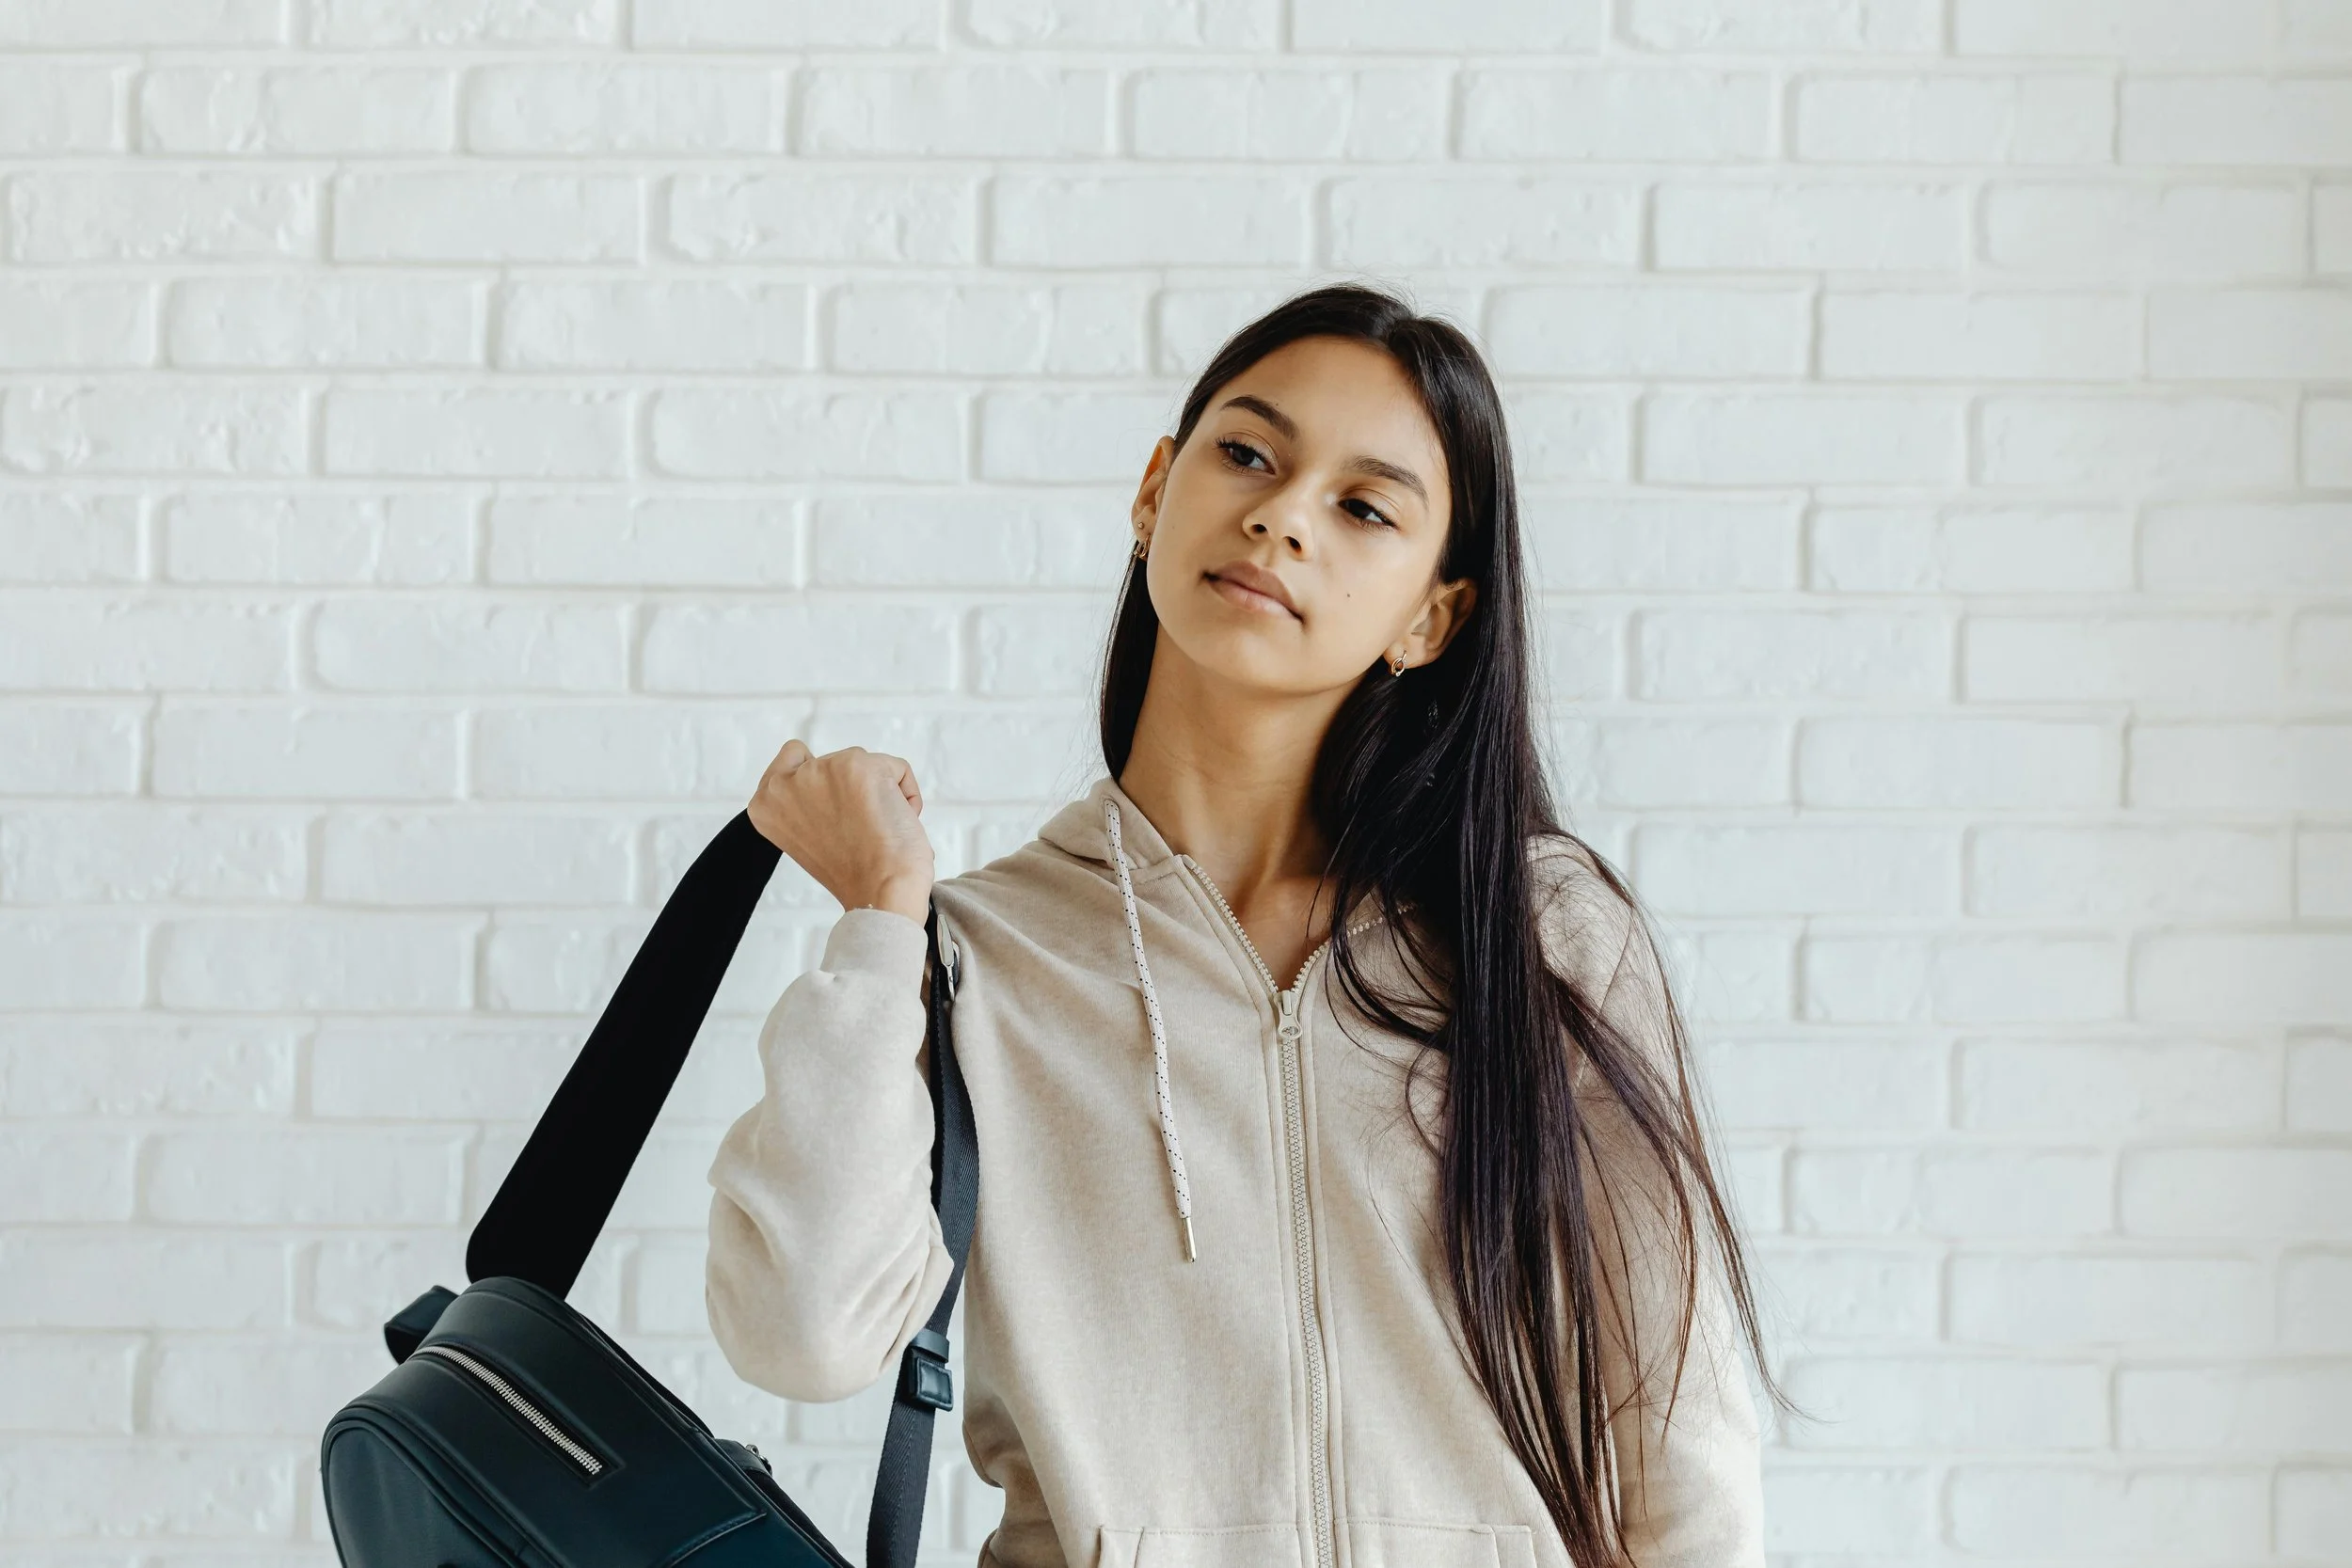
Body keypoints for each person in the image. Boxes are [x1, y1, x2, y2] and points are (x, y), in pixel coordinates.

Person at [706, 284, 1776, 1568]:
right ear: (1157, 489)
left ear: (1431, 616)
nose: (1280, 515)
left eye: (1363, 506)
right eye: (1249, 454)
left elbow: (1676, 1429)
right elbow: (802, 1330)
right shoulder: (980, 956)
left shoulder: (1537, 936)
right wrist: (882, 919)